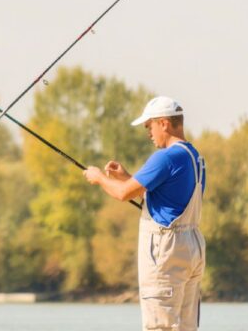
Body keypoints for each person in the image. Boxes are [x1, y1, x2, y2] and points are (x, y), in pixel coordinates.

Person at [83, 96, 206, 331]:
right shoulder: (194, 157)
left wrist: (98, 177)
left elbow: (123, 194)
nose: (148, 133)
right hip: (192, 246)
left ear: (164, 123)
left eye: (149, 126)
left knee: (160, 327)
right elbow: (166, 202)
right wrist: (127, 178)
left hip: (166, 251)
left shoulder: (165, 157)